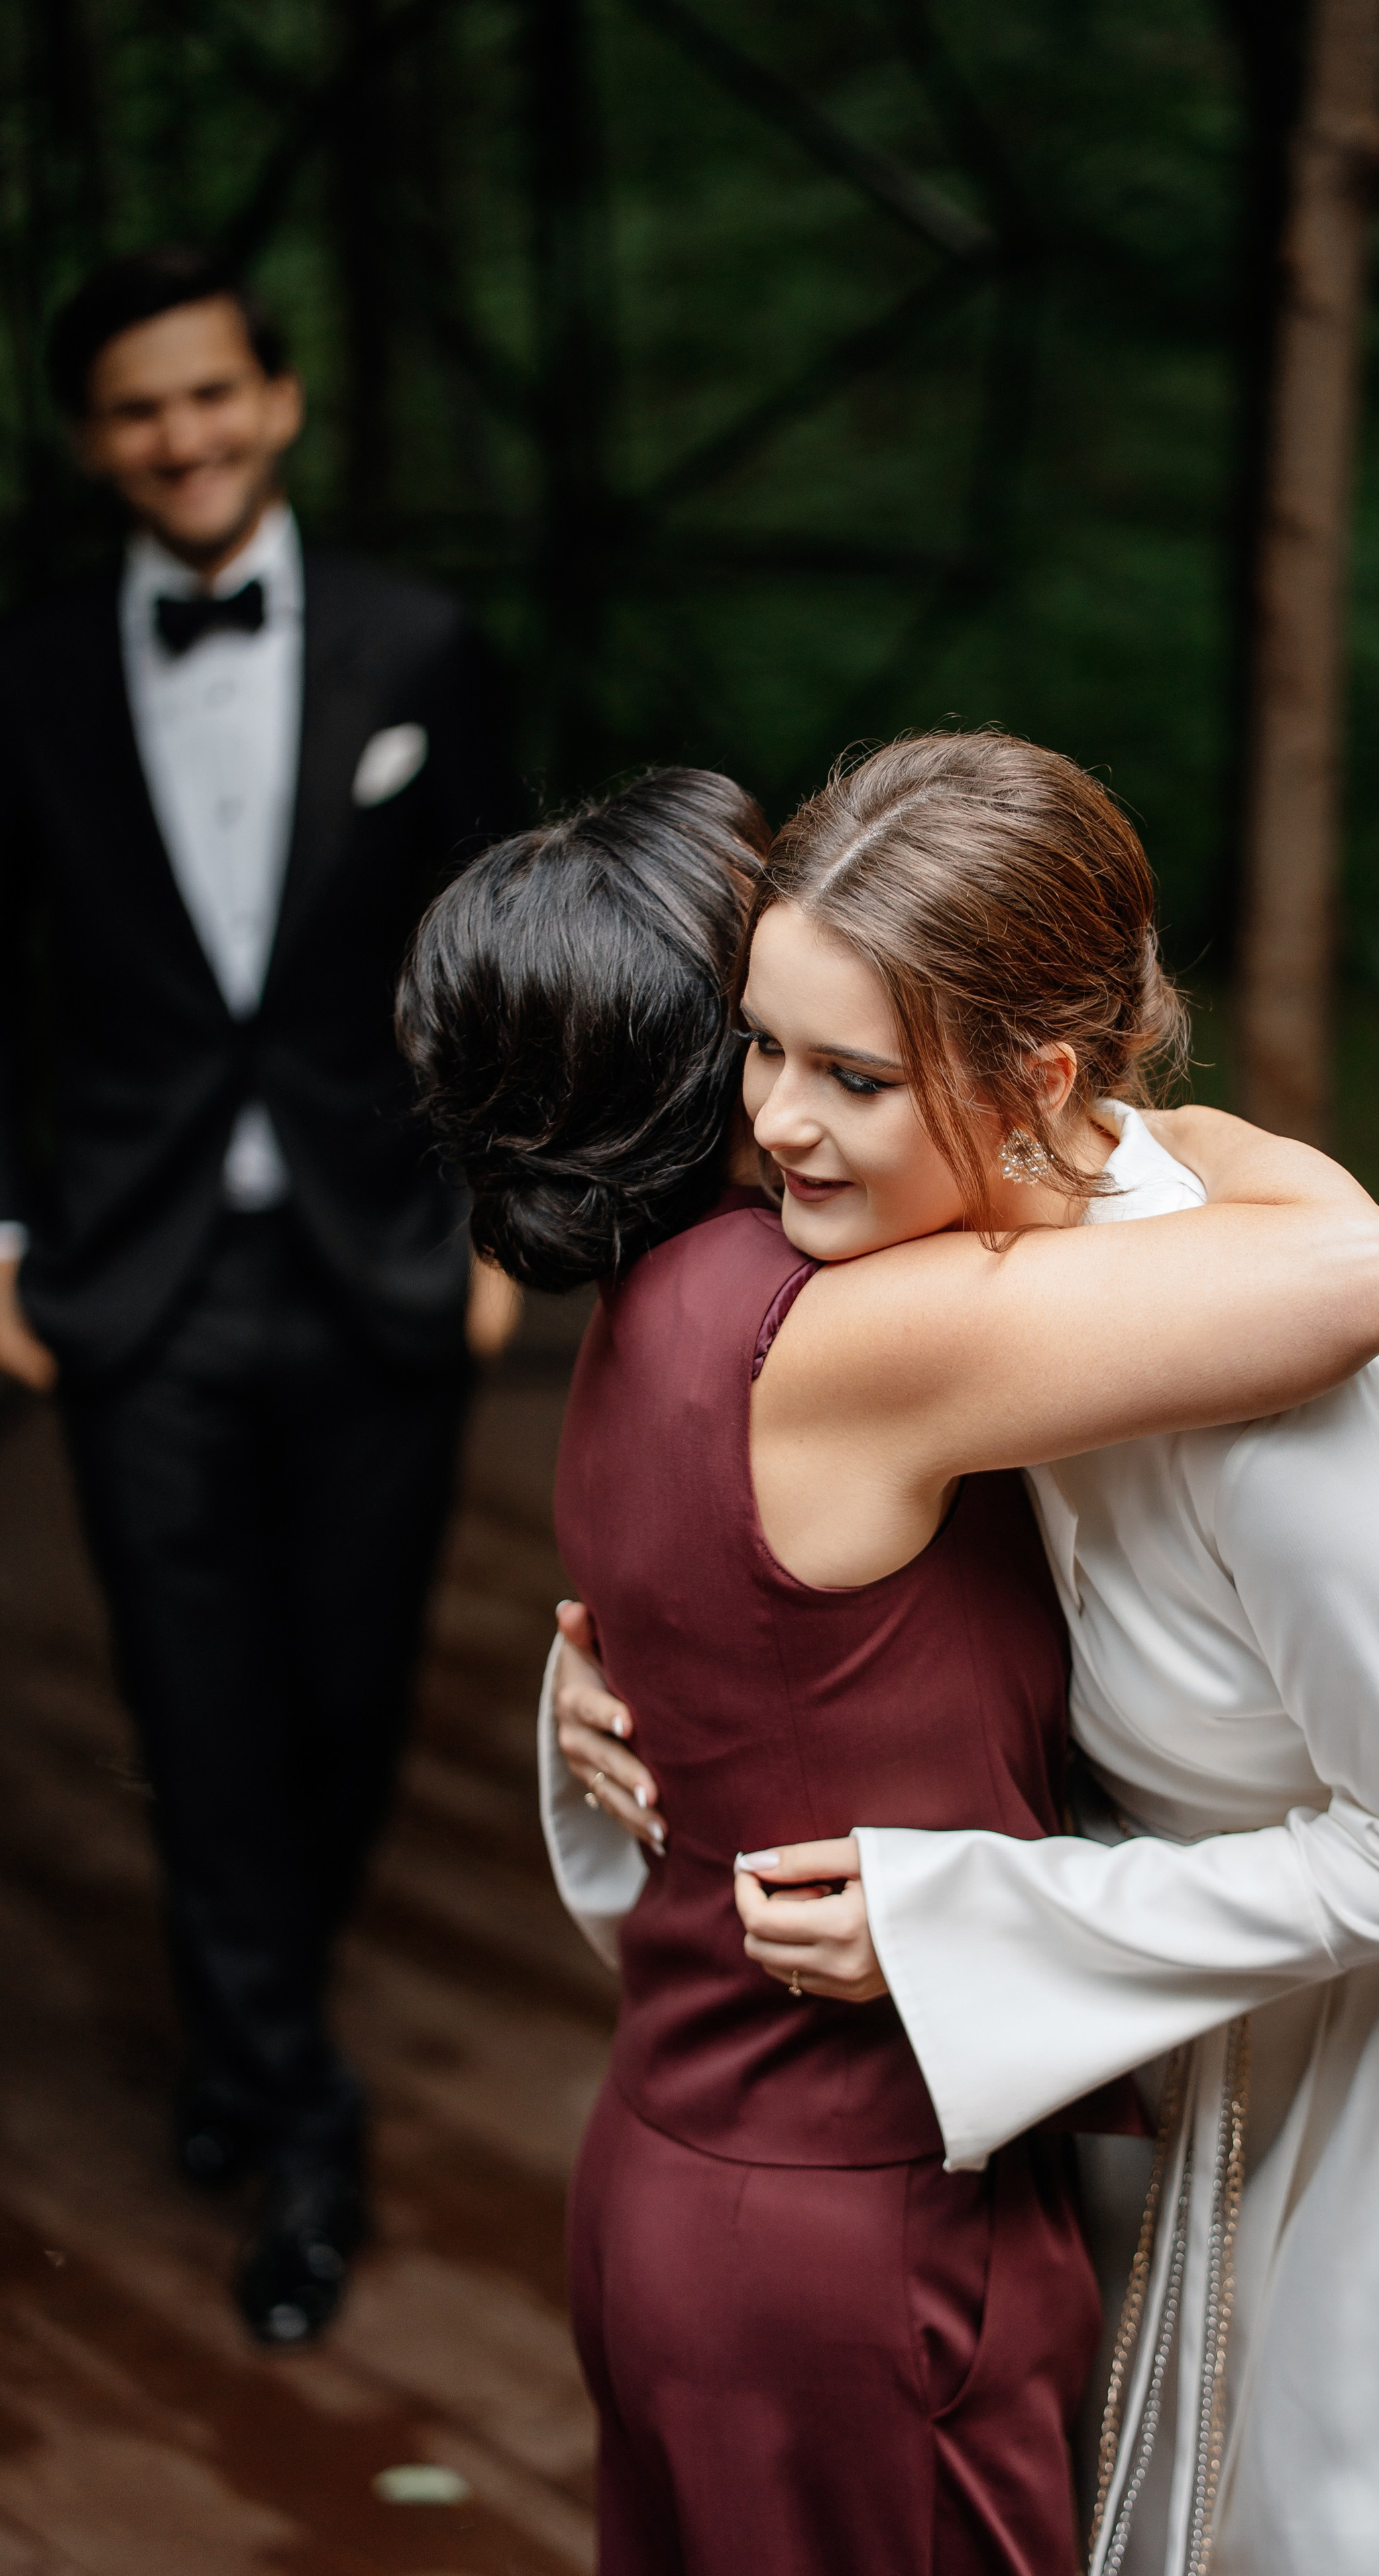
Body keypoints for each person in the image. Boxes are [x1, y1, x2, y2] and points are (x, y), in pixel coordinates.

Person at [547, 735, 1379, 2576]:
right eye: (763, 1044)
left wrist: (963, 1924)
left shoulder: (1286, 1403)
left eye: (854, 1074)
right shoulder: (950, 1298)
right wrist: (625, 1674)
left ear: (1046, 1078)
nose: (772, 1122)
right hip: (1147, 2086)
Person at [399, 749, 1379, 2575]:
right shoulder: (842, 1334)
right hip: (861, 2262)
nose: (804, 1076)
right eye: (775, 1026)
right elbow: (1357, 1267)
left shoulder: (653, 1312)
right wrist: (1113, 1108)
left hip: (673, 2189)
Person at [0, 245, 520, 2347]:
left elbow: (506, 951)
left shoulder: (423, 643)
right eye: (138, 410)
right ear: (90, 441)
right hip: (132, 1285)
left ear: (279, 399)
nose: (184, 438)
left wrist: (500, 1221)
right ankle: (299, 2116)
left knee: (349, 1696)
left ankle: (246, 2031)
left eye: (214, 396)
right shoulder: (26, 670)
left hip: (382, 1257)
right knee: (194, 1699)